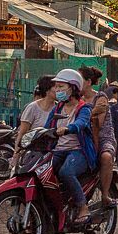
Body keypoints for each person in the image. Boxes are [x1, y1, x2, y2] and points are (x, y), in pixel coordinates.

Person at [42, 69, 97, 224]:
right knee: (41, 172)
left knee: (66, 172)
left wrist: (68, 128)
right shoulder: (57, 108)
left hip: (78, 152)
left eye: (61, 87)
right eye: (56, 87)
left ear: (72, 88)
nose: (57, 90)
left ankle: (83, 207)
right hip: (58, 151)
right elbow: (47, 126)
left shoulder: (83, 108)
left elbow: (81, 123)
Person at [80, 66, 117, 206]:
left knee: (106, 157)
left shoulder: (100, 97)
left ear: (88, 82)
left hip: (102, 138)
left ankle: (105, 194)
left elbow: (97, 124)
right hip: (80, 137)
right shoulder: (75, 98)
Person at [13, 76, 57, 158]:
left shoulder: (59, 108)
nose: (59, 90)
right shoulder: (32, 108)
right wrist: (16, 155)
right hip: (33, 153)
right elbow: (22, 133)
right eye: (56, 87)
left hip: (52, 152)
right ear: (47, 89)